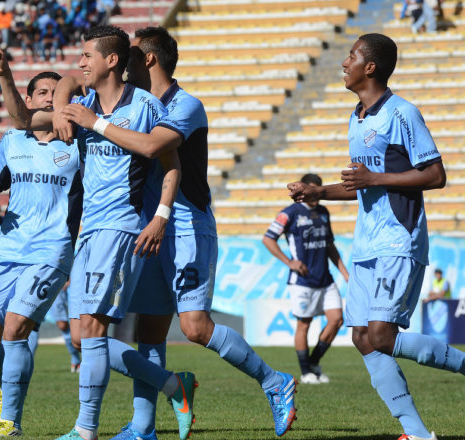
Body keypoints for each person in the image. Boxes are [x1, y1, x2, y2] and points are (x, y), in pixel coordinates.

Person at [58, 26, 297, 440]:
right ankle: (144, 426)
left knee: (195, 327)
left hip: (186, 226)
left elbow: (153, 147)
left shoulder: (184, 105)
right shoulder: (129, 102)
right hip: (147, 228)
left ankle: (274, 381)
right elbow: (66, 82)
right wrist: (65, 103)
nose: (120, 64)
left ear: (145, 60)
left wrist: (93, 122)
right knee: (147, 332)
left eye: (129, 56)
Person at [0, 26, 191, 440]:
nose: (79, 63)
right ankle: (172, 384)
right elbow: (25, 118)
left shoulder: (145, 106)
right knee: (82, 336)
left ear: (111, 61)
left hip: (121, 228)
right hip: (88, 232)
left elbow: (169, 163)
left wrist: (161, 216)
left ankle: (85, 429)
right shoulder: (81, 105)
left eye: (86, 56)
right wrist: (18, 82)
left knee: (93, 333)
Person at [288, 33, 465, 440]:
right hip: (365, 243)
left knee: (382, 335)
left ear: (370, 67)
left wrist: (377, 178)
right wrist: (320, 191)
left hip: (398, 240)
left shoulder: (402, 113)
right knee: (363, 338)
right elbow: (360, 184)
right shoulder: (358, 117)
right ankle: (416, 434)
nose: (343, 62)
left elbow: (436, 175)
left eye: (350, 56)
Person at [0, 68, 83, 438]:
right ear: (29, 101)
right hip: (9, 251)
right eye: (42, 93)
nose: (50, 97)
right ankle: (9, 388)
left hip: (52, 251)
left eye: (56, 92)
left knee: (16, 328)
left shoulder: (78, 142)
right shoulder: (11, 140)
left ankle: (10, 422)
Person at [262, 173, 348, 385]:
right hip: (302, 280)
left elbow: (329, 245)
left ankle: (313, 363)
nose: (314, 195)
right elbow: (268, 239)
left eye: (317, 190)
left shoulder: (323, 212)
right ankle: (306, 372)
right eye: (310, 190)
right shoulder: (289, 213)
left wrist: (345, 273)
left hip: (325, 278)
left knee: (337, 320)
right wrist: (289, 262)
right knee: (304, 324)